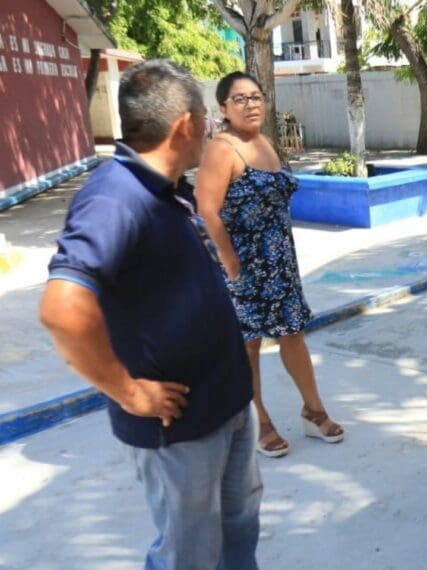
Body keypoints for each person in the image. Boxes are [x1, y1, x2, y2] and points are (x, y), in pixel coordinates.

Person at [39, 59, 261, 568]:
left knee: (237, 529)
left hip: (225, 403)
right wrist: (129, 392)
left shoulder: (164, 189)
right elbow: (62, 308)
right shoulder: (115, 197)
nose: (210, 129)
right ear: (185, 125)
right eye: (206, 118)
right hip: (180, 428)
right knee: (189, 553)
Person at [197, 71, 344, 458]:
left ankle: (314, 411)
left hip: (279, 264)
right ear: (224, 108)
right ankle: (258, 421)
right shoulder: (222, 149)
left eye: (256, 97)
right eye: (240, 99)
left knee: (293, 335)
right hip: (243, 267)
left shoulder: (263, 142)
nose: (251, 104)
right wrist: (230, 262)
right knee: (247, 347)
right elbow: (206, 210)